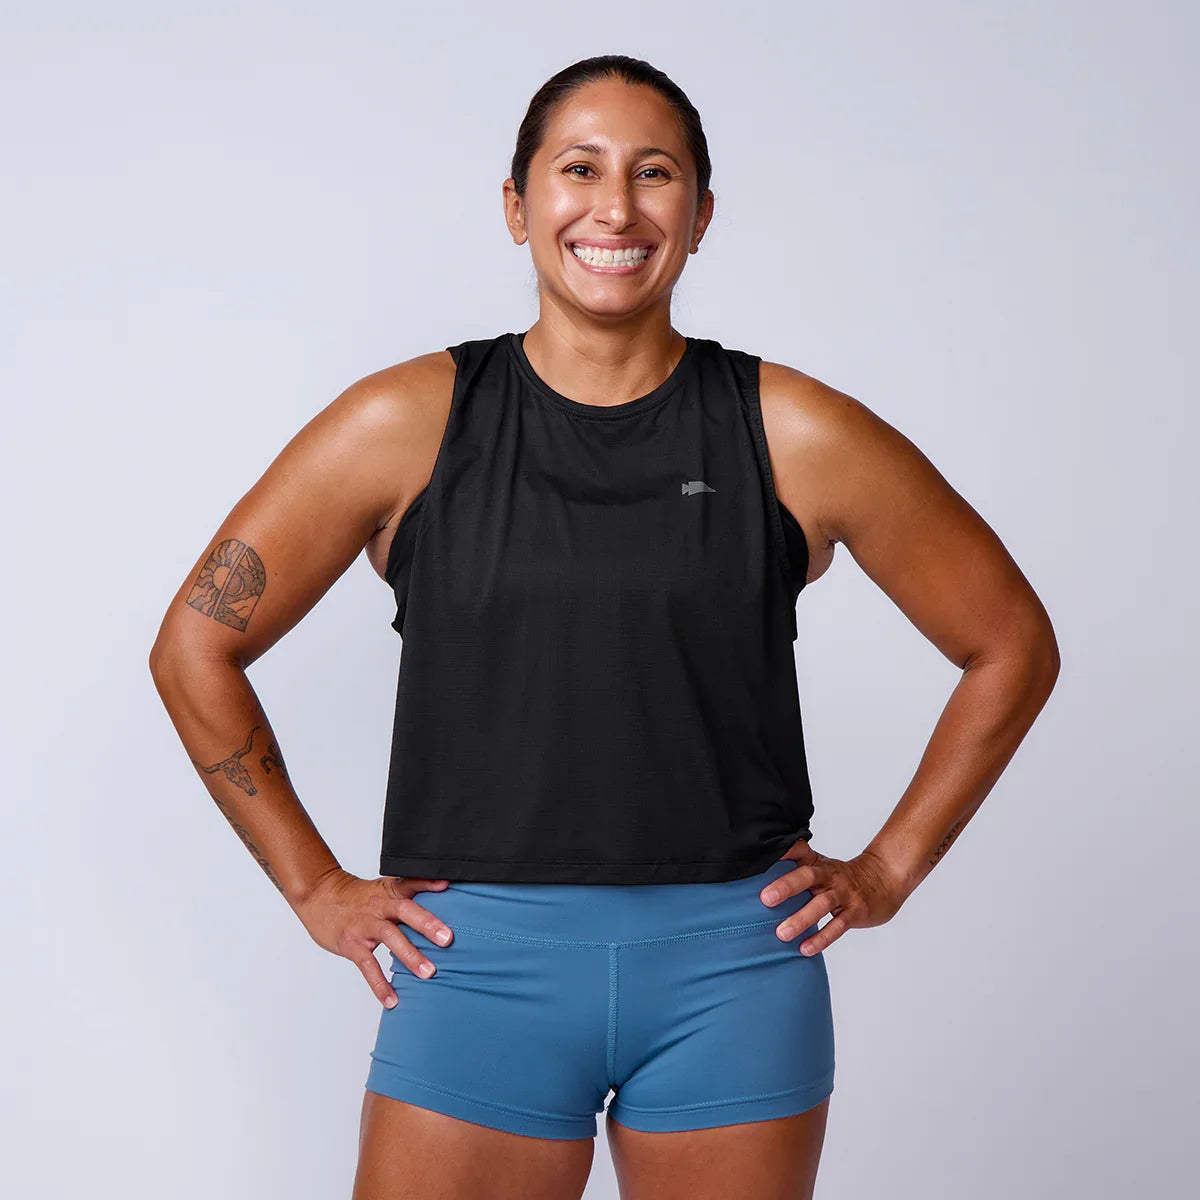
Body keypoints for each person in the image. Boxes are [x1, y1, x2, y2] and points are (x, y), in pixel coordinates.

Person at [149, 54, 1059, 1200]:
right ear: (519, 207)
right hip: (477, 973)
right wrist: (313, 887)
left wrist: (888, 870)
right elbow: (194, 645)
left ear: (702, 215)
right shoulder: (405, 424)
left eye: (656, 173)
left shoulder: (793, 432)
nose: (616, 207)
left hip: (732, 972)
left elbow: (1011, 641)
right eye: (579, 169)